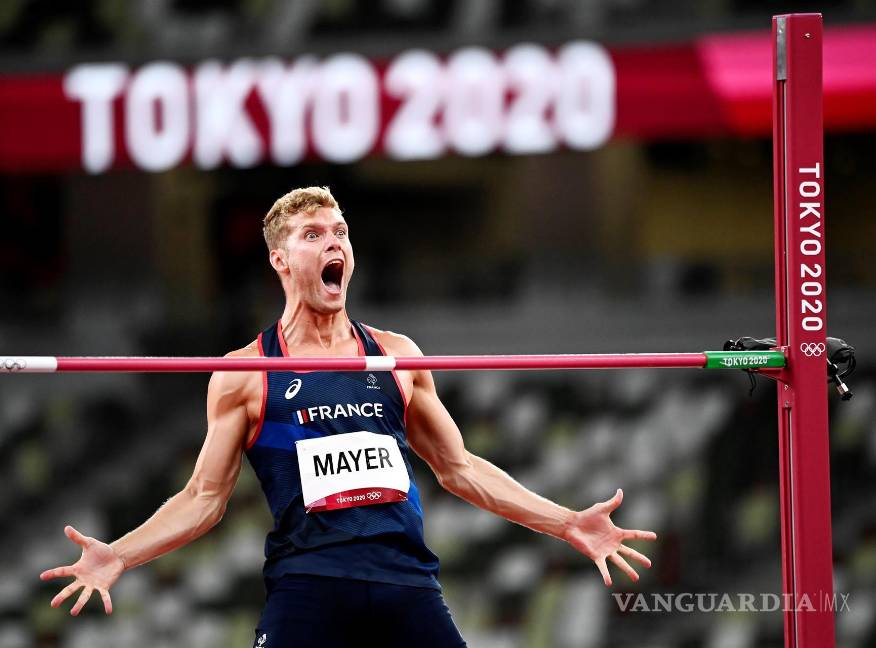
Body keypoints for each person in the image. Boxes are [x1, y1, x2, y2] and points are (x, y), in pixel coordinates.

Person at [40, 186, 657, 647]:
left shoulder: (397, 355)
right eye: (313, 235)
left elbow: (460, 467)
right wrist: (120, 554)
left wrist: (568, 521)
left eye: (340, 232)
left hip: (405, 583)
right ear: (281, 260)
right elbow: (204, 498)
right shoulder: (245, 372)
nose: (334, 242)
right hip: (308, 584)